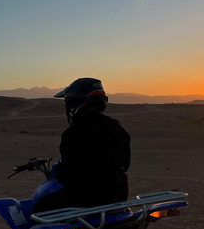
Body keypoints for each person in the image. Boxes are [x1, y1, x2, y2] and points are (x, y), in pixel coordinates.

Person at [33, 77, 131, 213]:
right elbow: (126, 163)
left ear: (75, 103)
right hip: (118, 194)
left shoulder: (73, 133)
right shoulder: (117, 127)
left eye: (67, 102)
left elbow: (65, 176)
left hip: (87, 198)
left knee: (39, 207)